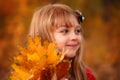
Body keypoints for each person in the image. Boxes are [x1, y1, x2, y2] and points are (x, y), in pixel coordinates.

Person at [29, 3, 96, 80]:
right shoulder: (30, 75)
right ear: (43, 36)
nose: (74, 37)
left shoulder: (85, 75)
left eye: (77, 31)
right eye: (65, 31)